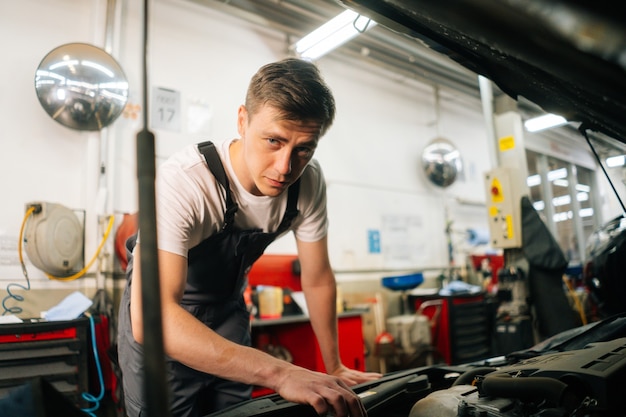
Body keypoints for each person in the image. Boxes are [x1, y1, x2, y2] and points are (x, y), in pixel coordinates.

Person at [117, 58, 382, 417]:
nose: (285, 167)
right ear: (242, 120)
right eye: (273, 140)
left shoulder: (308, 183)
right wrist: (279, 371)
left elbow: (317, 279)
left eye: (304, 148)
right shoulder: (186, 181)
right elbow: (155, 316)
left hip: (229, 310)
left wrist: (333, 365)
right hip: (165, 316)